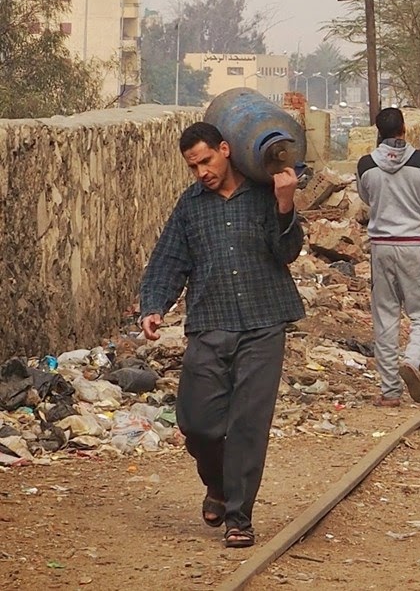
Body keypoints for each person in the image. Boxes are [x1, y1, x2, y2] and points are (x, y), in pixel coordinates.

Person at [139, 121, 304, 550]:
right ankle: (216, 483)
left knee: (249, 425)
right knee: (197, 423)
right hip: (210, 322)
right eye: (193, 167)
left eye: (206, 161)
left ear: (226, 149)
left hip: (264, 322)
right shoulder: (191, 206)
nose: (201, 173)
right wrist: (154, 306)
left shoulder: (264, 192)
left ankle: (239, 517)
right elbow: (168, 259)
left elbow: (286, 252)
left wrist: (285, 205)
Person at [358, 107, 420, 406]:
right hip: (415, 246)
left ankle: (389, 392)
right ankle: (412, 360)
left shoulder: (365, 165)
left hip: (380, 248)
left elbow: (366, 199)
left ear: (379, 131)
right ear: (403, 129)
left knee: (385, 317)